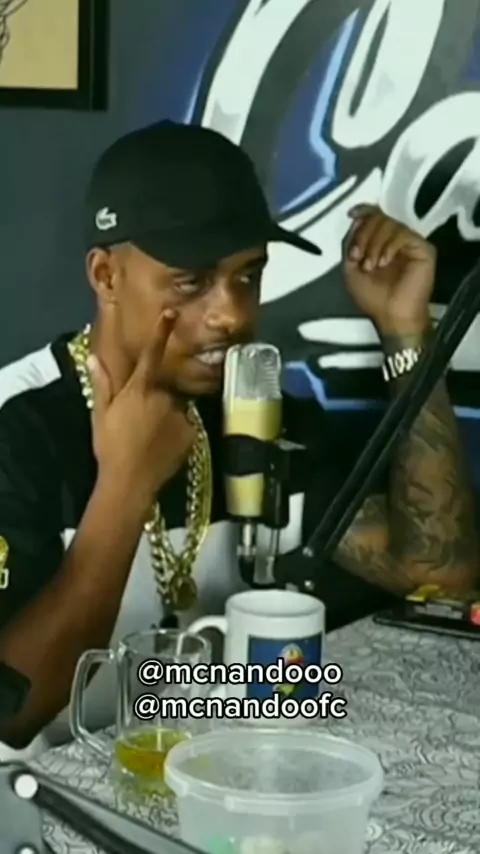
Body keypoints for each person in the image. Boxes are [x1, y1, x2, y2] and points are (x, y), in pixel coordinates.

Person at [0, 121, 477, 749]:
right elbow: (11, 713)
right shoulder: (18, 426)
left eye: (248, 276)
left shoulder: (258, 409)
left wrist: (405, 333)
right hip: (44, 799)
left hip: (220, 781)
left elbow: (440, 575)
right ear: (106, 276)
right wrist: (124, 487)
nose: (230, 313)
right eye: (191, 282)